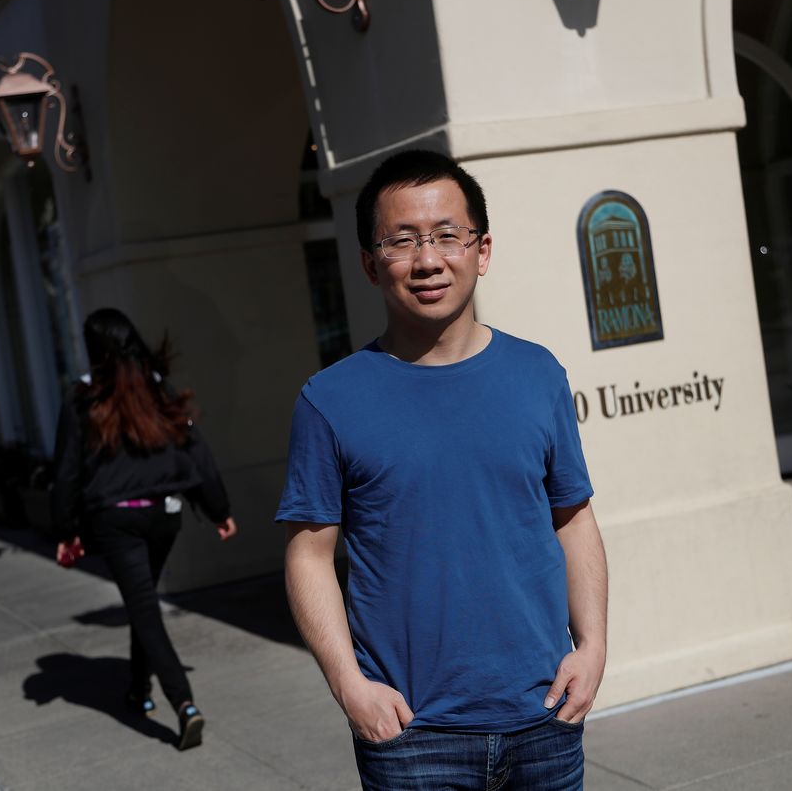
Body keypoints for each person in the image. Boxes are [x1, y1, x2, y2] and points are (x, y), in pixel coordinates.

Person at [278, 149, 608, 790]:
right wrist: (351, 687)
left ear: (481, 250)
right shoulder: (330, 400)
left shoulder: (538, 375)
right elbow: (308, 557)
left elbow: (574, 518)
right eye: (401, 242)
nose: (427, 260)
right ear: (372, 264)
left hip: (544, 717)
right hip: (410, 734)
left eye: (446, 236)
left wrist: (591, 646)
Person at [50, 308, 237, 751]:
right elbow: (193, 447)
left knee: (143, 608)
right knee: (143, 601)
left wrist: (64, 529)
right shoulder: (155, 388)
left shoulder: (83, 395)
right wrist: (217, 508)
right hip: (164, 515)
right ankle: (138, 689)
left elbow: (67, 471)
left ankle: (184, 704)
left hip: (117, 520)